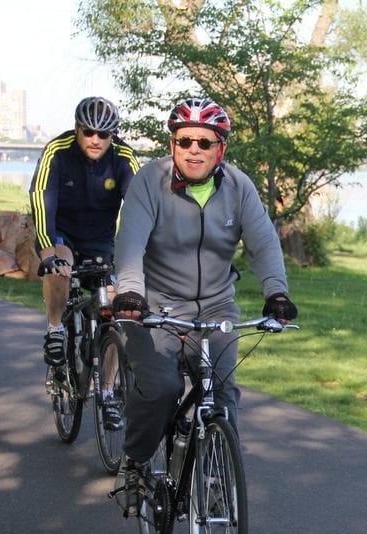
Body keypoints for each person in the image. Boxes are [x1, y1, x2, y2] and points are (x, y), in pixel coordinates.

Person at [111, 96, 298, 516]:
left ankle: (215, 478)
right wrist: (131, 293)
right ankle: (135, 462)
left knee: (223, 394)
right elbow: (130, 244)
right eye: (185, 141)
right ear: (173, 144)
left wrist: (277, 294)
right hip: (154, 308)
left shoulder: (239, 187)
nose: (194, 150)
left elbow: (264, 244)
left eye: (205, 142)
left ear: (220, 148)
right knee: (161, 389)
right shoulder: (150, 181)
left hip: (215, 310)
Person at [30, 96, 140, 431]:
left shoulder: (123, 158)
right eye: (88, 132)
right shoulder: (58, 151)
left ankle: (106, 391)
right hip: (60, 234)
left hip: (101, 239)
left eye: (103, 134)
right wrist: (48, 252)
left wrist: (142, 255)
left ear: (113, 135)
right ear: (77, 129)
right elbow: (41, 200)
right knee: (60, 266)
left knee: (117, 307)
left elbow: (142, 207)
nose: (95, 139)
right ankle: (55, 329)